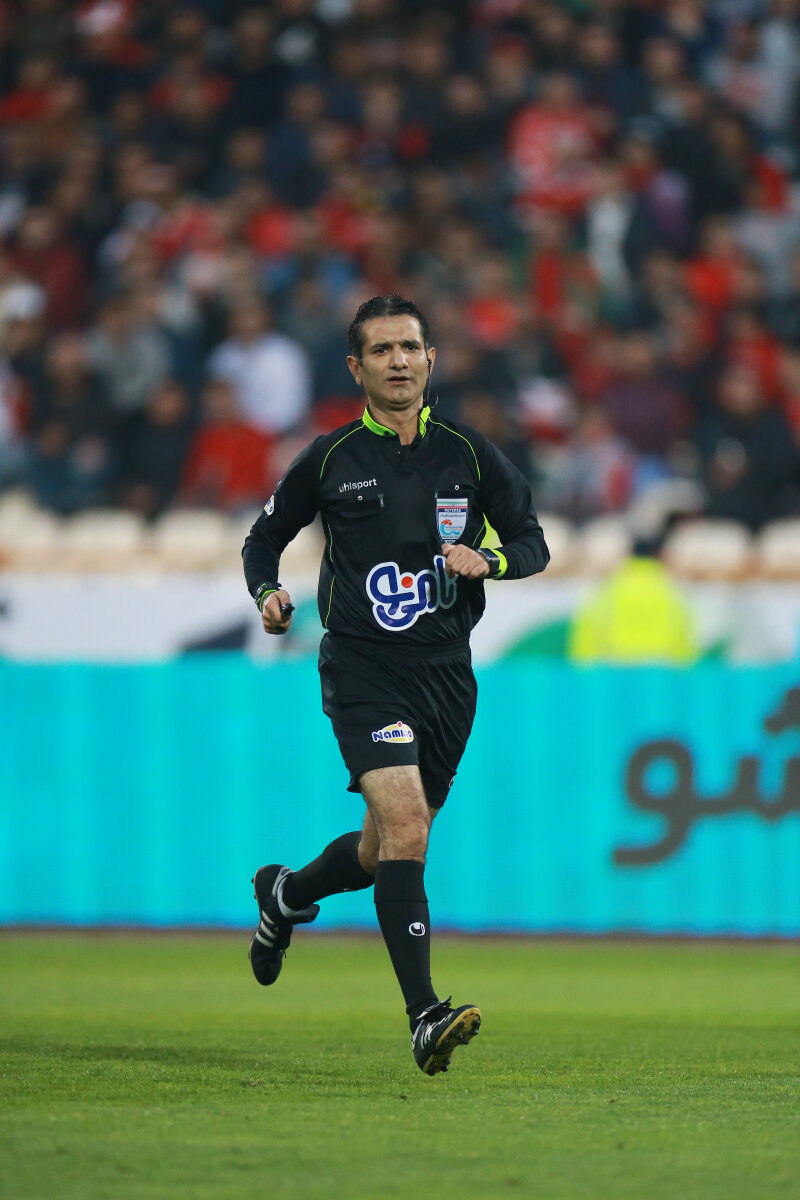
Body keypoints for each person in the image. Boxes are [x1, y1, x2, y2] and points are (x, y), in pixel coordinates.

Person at [242, 294, 549, 1076]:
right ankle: (424, 1015)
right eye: (381, 350)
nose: (399, 361)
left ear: (431, 359)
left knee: (385, 850)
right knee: (408, 826)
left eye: (410, 347)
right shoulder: (332, 458)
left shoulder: (469, 454)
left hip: (447, 676)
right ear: (357, 367)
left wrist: (491, 559)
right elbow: (263, 538)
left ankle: (286, 895)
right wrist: (268, 593)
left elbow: (533, 541)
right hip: (363, 668)